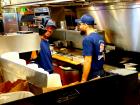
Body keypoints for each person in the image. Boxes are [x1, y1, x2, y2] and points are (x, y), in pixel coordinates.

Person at [75, 14, 105, 82]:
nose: (79, 26)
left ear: (85, 25)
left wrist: (83, 80)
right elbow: (101, 55)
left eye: (80, 24)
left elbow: (88, 61)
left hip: (93, 75)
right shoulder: (100, 37)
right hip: (101, 72)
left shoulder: (87, 39)